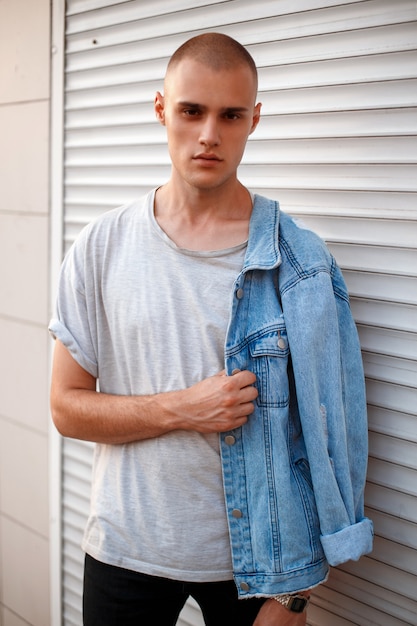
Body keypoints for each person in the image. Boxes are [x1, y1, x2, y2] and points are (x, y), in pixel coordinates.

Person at [49, 32, 373, 626]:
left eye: (229, 115)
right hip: (125, 550)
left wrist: (294, 595)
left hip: (258, 569)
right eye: (191, 111)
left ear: (254, 118)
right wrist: (181, 408)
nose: (208, 135)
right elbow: (67, 409)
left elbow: (332, 442)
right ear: (160, 109)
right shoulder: (101, 247)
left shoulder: (299, 263)